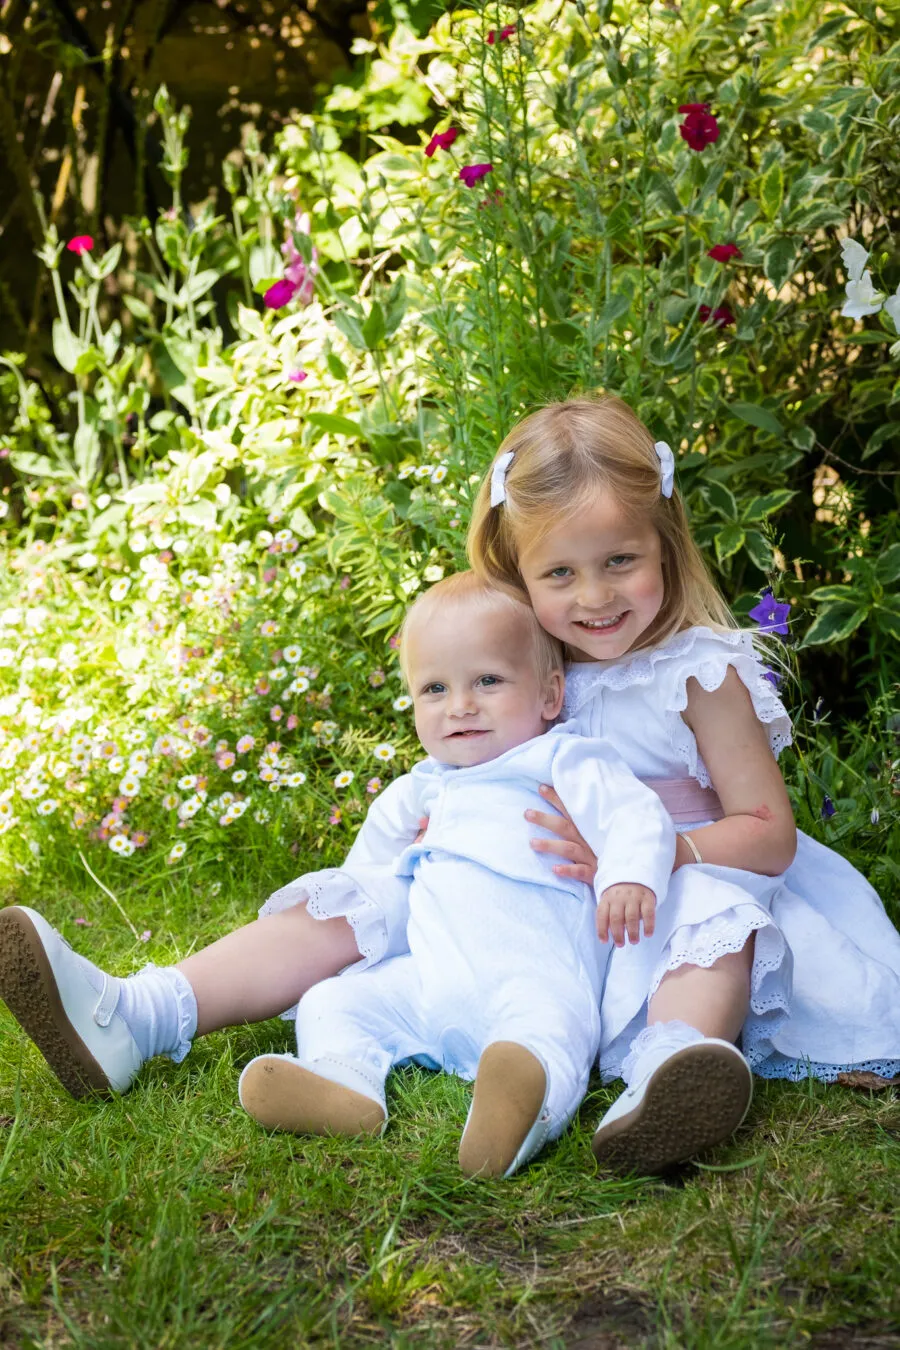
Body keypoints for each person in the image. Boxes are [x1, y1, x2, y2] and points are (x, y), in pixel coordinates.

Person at [465, 395, 900, 1170]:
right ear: (515, 571)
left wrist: (655, 857)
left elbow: (769, 832)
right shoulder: (529, 673)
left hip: (694, 873)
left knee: (709, 923)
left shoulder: (696, 673)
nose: (594, 597)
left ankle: (671, 1068)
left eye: (620, 562)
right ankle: (516, 1052)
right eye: (559, 573)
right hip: (580, 907)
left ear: (663, 545)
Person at [238, 572, 729, 1178]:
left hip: (537, 977)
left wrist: (629, 877)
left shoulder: (563, 758)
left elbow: (633, 813)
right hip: (428, 978)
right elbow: (364, 880)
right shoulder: (418, 789)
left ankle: (514, 1109)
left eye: (488, 681)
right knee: (333, 1000)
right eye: (435, 689)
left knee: (547, 1036)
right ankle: (343, 1081)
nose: (460, 705)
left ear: (551, 695)